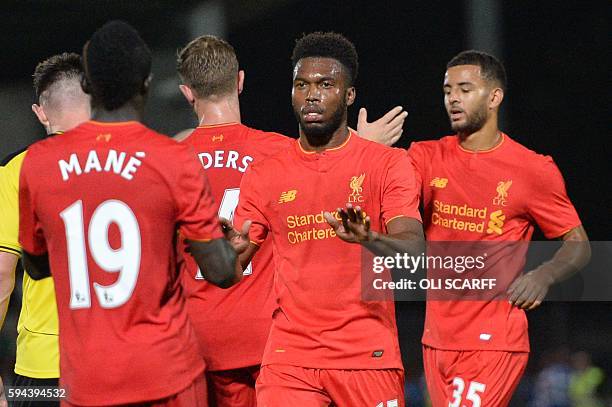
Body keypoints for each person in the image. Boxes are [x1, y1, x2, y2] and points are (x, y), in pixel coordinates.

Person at [175, 34, 408, 406]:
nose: (312, 95)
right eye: (302, 85)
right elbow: (232, 271)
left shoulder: (168, 159)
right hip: (276, 346)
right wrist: (369, 146)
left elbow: (415, 254)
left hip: (198, 338)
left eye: (324, 85)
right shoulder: (272, 157)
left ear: (187, 93)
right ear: (240, 81)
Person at [18, 20, 241, 406]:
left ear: (87, 86)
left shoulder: (38, 163)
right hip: (167, 377)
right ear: (147, 83)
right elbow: (221, 272)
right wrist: (220, 242)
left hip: (85, 383)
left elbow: (36, 267)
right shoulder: (173, 159)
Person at [407, 50, 590, 406]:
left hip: (494, 339)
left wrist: (544, 275)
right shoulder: (425, 157)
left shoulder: (531, 170)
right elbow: (380, 194)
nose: (453, 99)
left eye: (464, 89)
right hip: (437, 339)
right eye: (447, 91)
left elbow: (578, 244)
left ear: (494, 97)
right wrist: (368, 149)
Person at [0, 52, 91, 407]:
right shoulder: (134, 162)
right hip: (124, 360)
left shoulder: (16, 171)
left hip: (44, 371)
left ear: (40, 112)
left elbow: (3, 274)